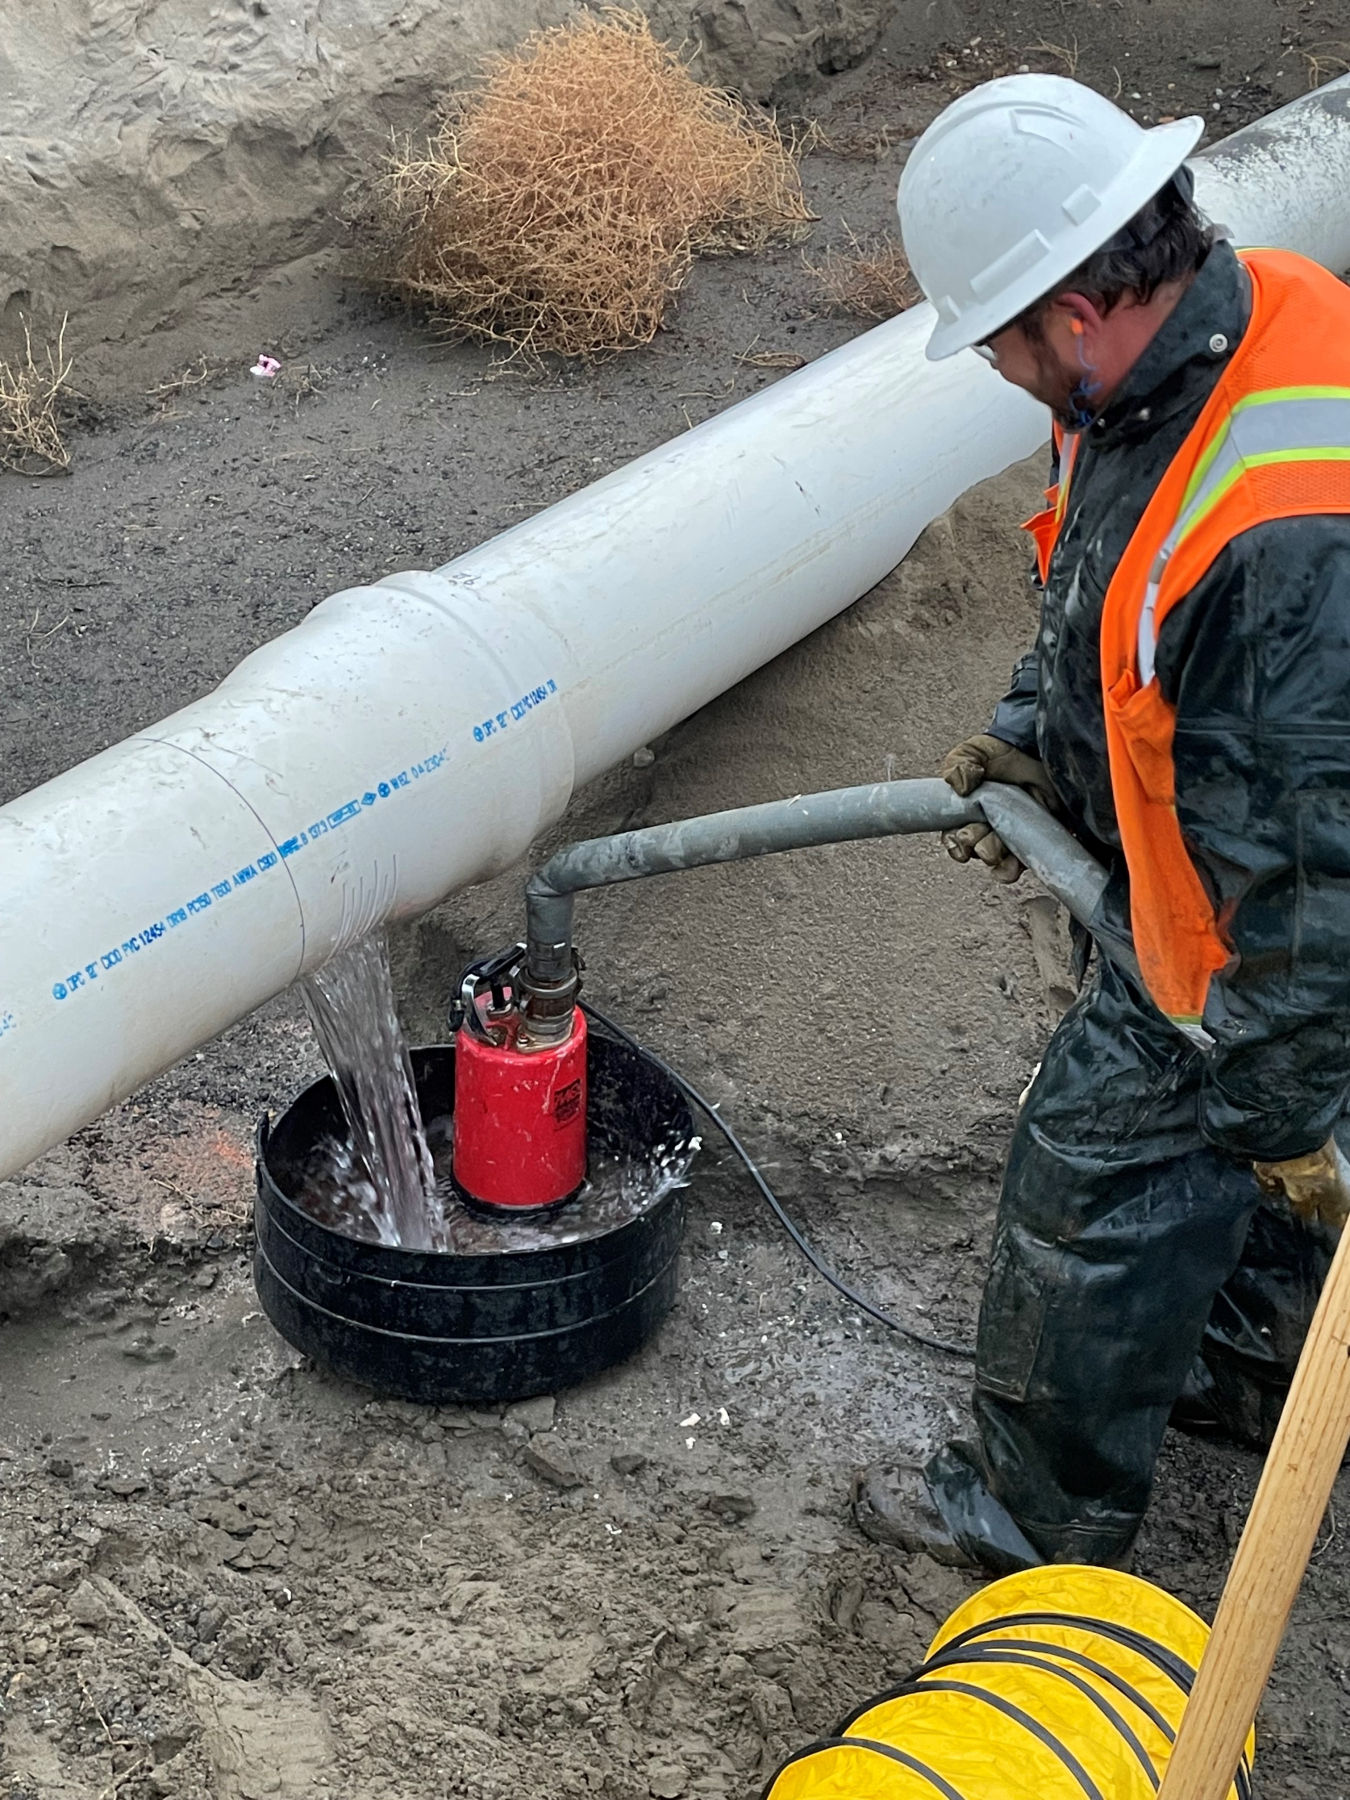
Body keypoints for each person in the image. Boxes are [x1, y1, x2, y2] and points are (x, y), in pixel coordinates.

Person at [853, 74, 1350, 1574]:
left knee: (1097, 1186)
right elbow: (1103, 577)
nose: (996, 372)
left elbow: (1314, 883)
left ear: (1070, 311)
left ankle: (1030, 1522)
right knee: (1259, 1168)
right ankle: (1248, 1374)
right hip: (1267, 848)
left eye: (995, 339)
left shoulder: (1280, 543)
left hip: (1267, 923)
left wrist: (1274, 1094)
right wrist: (1032, 739)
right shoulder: (1207, 335)